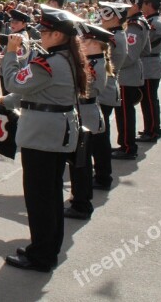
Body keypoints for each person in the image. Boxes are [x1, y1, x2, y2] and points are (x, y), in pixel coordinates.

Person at [0, 5, 86, 273]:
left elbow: (14, 82)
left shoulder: (49, 63)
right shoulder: (63, 58)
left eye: (46, 31)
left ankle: (41, 255)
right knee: (48, 197)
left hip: (43, 136)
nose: (41, 34)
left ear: (59, 35)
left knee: (40, 199)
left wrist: (11, 54)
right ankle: (45, 249)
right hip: (52, 133)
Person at [65, 23, 113, 220]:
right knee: (81, 162)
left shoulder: (93, 65)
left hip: (86, 112)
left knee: (81, 164)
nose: (80, 43)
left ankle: (81, 204)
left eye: (84, 40)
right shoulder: (95, 61)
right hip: (88, 112)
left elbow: (82, 88)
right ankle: (81, 200)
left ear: (94, 43)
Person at [92, 2, 129, 190]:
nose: (101, 17)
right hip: (108, 87)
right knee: (100, 135)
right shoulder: (115, 35)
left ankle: (102, 176)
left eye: (106, 15)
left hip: (104, 89)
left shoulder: (112, 38)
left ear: (115, 18)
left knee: (99, 137)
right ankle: (101, 173)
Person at [112, 0, 150, 160]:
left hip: (127, 74)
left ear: (134, 6)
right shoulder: (137, 22)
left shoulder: (134, 25)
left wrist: (111, 65)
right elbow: (146, 50)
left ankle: (128, 147)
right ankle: (125, 144)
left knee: (125, 113)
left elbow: (130, 56)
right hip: (129, 73)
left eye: (125, 4)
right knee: (123, 112)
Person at [137, 0, 161, 143]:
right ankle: (149, 128)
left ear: (149, 5)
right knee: (145, 100)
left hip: (150, 65)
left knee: (149, 100)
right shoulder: (150, 20)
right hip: (147, 65)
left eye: (143, 3)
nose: (141, 6)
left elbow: (147, 42)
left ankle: (154, 130)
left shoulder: (156, 22)